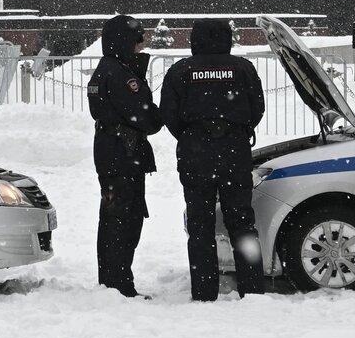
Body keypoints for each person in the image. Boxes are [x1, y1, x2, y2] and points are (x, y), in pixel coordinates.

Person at [160, 19, 266, 301]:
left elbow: (168, 113)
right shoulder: (242, 68)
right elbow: (258, 108)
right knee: (242, 222)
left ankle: (205, 290)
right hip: (235, 151)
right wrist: (236, 130)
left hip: (196, 153)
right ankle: (252, 287)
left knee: (200, 225)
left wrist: (191, 135)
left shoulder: (181, 70)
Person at [86, 15, 163, 298]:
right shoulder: (120, 74)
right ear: (123, 42)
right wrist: (160, 113)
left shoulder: (106, 68)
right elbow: (144, 117)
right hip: (122, 155)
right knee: (124, 220)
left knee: (111, 218)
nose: (140, 48)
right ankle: (119, 283)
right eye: (136, 42)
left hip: (112, 153)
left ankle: (111, 279)